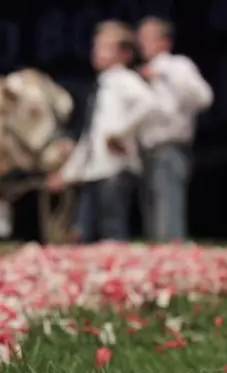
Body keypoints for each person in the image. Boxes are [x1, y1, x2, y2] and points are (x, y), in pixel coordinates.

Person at [46, 21, 157, 243]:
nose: (97, 52)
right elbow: (89, 139)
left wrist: (119, 133)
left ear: (124, 54)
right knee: (80, 232)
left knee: (112, 229)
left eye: (106, 47)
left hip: (115, 170)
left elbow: (149, 103)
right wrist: (66, 174)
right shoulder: (102, 85)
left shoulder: (124, 79)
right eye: (96, 46)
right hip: (95, 173)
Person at [137, 17, 213, 242]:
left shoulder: (178, 66)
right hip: (145, 151)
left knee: (167, 212)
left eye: (148, 38)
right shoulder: (140, 72)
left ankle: (174, 261)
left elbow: (204, 97)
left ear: (165, 42)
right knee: (151, 214)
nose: (142, 44)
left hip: (170, 147)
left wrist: (163, 76)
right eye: (140, 38)